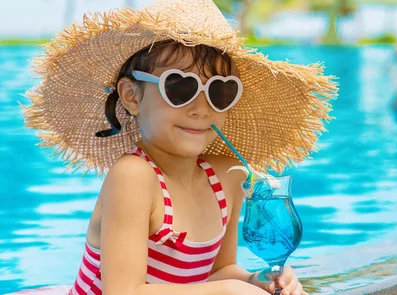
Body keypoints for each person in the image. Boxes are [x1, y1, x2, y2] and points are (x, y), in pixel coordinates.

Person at [16, 0, 337, 294]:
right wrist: (225, 292)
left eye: (220, 92)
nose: (201, 108)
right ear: (131, 96)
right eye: (180, 87)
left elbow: (218, 271)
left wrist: (256, 281)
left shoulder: (226, 176)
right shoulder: (134, 177)